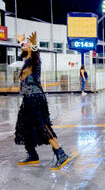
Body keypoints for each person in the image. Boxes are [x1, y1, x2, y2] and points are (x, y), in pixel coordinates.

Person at [15, 32, 70, 170]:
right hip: (28, 99)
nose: (24, 45)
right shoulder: (25, 61)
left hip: (35, 98)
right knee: (25, 126)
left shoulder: (35, 60)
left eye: (26, 44)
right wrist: (21, 43)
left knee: (43, 126)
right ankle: (32, 154)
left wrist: (33, 45)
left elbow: (34, 53)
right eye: (24, 44)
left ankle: (61, 154)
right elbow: (24, 51)